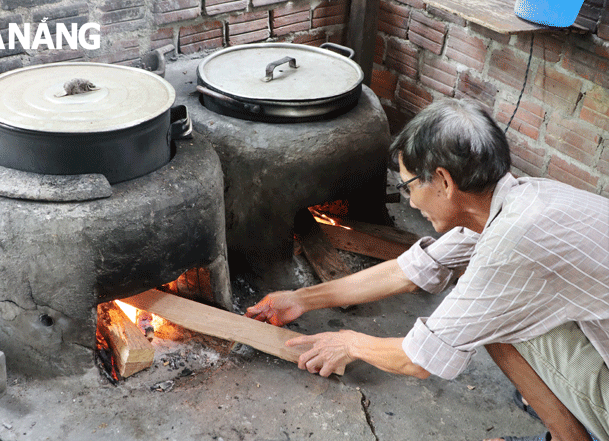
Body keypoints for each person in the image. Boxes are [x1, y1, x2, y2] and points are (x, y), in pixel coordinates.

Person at [246, 98, 609, 441]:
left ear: (444, 182)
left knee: (482, 315)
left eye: (407, 186)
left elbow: (417, 360)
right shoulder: (516, 203)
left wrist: (348, 342)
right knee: (484, 308)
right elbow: (407, 272)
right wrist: (299, 299)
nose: (410, 201)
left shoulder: (511, 244)